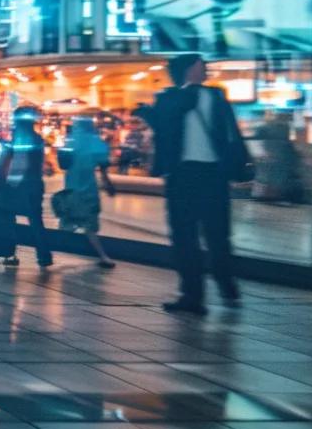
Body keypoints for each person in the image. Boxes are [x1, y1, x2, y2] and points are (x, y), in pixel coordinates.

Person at [137, 53, 251, 315]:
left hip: (189, 176)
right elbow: (231, 133)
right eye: (202, 64)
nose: (206, 68)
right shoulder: (210, 97)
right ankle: (221, 288)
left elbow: (164, 129)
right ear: (190, 69)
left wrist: (147, 114)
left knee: (189, 236)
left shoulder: (176, 98)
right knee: (213, 234)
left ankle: (197, 294)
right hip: (207, 175)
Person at [0, 105, 53, 270]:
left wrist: (6, 186)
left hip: (20, 188)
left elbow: (19, 165)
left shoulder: (21, 138)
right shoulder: (37, 138)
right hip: (35, 187)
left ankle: (9, 254)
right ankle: (44, 256)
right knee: (36, 222)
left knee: (6, 218)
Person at [54, 116, 115, 268]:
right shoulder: (96, 143)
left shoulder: (70, 141)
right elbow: (103, 168)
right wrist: (108, 185)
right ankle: (103, 256)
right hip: (89, 189)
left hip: (71, 188)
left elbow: (63, 165)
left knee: (68, 222)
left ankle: (48, 250)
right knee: (89, 225)